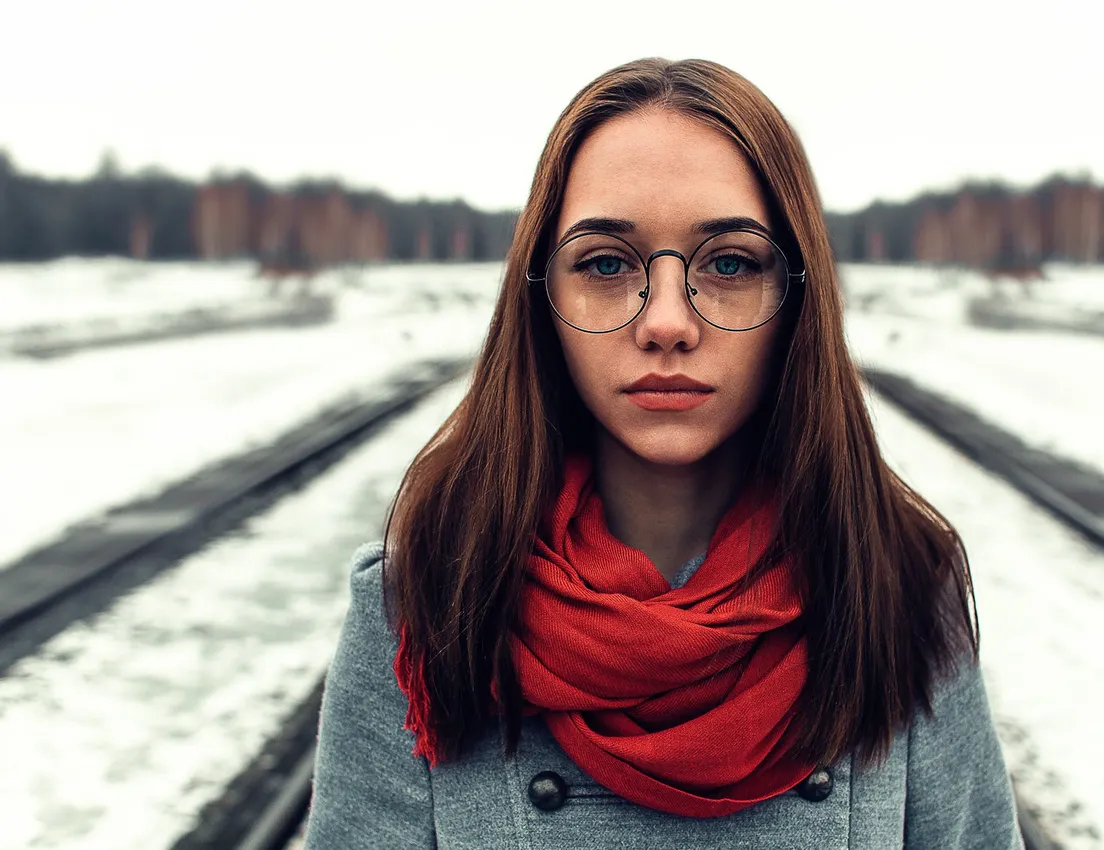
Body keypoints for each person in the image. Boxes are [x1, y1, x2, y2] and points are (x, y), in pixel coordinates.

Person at [306, 57, 1023, 849]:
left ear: (797, 298)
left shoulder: (899, 591)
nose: (668, 322)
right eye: (608, 264)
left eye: (729, 264)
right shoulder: (431, 604)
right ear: (542, 298)